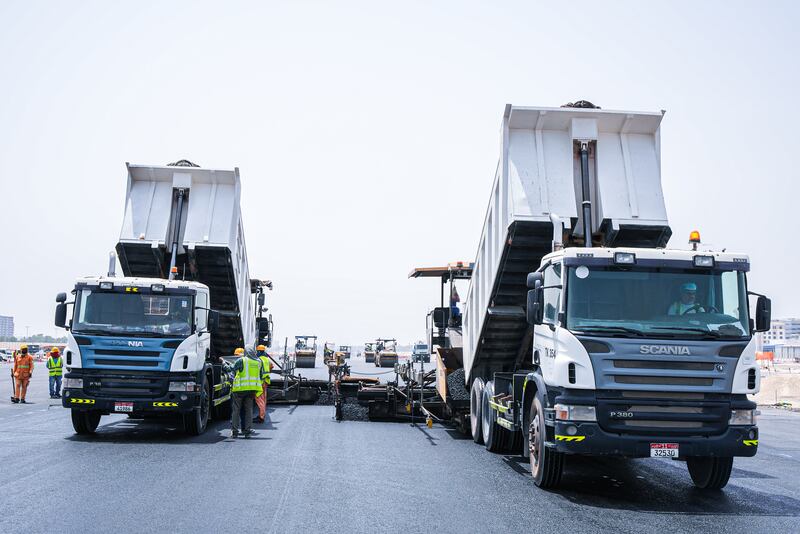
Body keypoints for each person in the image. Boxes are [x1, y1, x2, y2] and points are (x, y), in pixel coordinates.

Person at [228, 347, 264, 438]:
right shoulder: (259, 362)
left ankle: (235, 432)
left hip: (240, 390)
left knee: (236, 410)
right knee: (249, 411)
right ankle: (247, 432)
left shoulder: (242, 360)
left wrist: (223, 363)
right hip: (252, 390)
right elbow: (261, 376)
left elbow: (230, 369)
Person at [255, 345, 271, 423]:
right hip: (266, 381)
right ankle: (261, 415)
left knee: (259, 399)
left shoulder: (259, 360)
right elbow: (272, 366)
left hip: (260, 382)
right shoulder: (267, 360)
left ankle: (261, 417)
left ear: (258, 351)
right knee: (263, 399)